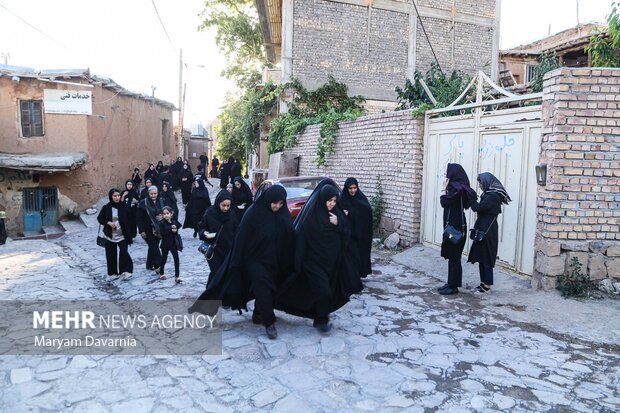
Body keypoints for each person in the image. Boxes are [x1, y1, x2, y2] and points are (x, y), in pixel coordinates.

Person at [190, 185, 295, 340]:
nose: (277, 206)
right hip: (255, 260)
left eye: (280, 203)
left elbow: (290, 236)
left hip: (274, 261)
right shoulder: (254, 213)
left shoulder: (283, 215)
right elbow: (242, 237)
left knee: (270, 289)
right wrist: (237, 260)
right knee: (263, 286)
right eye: (274, 203)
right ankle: (269, 322)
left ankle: (258, 313)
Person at [276, 179, 357, 333]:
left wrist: (338, 223)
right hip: (312, 262)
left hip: (330, 264)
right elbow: (301, 239)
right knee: (323, 290)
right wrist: (298, 262)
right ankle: (322, 321)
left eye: (334, 200)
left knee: (325, 291)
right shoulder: (312, 216)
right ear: (322, 199)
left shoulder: (336, 214)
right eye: (329, 200)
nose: (332, 204)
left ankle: (319, 318)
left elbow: (347, 234)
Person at [467, 172, 511, 294]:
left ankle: (487, 286)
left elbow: (478, 208)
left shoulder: (492, 196)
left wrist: (471, 199)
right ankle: (482, 283)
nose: (480, 185)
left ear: (487, 182)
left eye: (481, 183)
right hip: (484, 229)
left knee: (486, 258)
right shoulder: (488, 194)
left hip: (488, 232)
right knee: (481, 257)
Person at [438, 163, 477, 295]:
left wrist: (443, 189)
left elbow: (444, 202)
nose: (446, 176)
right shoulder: (458, 188)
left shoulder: (458, 190)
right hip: (455, 225)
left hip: (456, 227)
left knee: (454, 258)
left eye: (447, 173)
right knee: (452, 257)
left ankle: (453, 287)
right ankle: (450, 283)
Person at [339, 177, 373, 282]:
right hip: (349, 235)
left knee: (360, 255)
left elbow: (367, 211)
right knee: (351, 257)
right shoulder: (342, 200)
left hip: (361, 234)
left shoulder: (361, 198)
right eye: (350, 188)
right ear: (346, 188)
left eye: (355, 188)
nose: (353, 190)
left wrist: (351, 212)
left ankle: (357, 275)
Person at [198, 190, 238, 276]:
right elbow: (201, 227)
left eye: (228, 206)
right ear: (218, 203)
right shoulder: (210, 213)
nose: (226, 208)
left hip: (228, 249)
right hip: (214, 249)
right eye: (223, 205)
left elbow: (236, 231)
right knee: (216, 273)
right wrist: (204, 233)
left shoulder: (232, 215)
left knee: (226, 274)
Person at [97, 188, 135, 280]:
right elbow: (100, 218)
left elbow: (130, 220)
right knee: (111, 254)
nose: (117, 198)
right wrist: (108, 223)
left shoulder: (123, 207)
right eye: (115, 196)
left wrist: (131, 233)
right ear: (111, 197)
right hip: (110, 235)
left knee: (124, 252)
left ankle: (125, 271)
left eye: (118, 195)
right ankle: (113, 273)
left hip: (122, 234)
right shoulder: (107, 207)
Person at [137, 185, 164, 272]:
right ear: (148, 194)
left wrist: (163, 216)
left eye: (155, 193)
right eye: (151, 194)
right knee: (154, 246)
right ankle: (159, 266)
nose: (153, 195)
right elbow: (139, 218)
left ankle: (149, 264)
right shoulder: (143, 203)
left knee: (153, 246)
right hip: (147, 228)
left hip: (158, 229)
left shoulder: (161, 201)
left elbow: (168, 211)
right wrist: (141, 231)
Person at [158, 206, 183, 283]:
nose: (166, 215)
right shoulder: (161, 223)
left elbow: (178, 227)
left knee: (176, 259)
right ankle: (161, 272)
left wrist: (175, 229)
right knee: (164, 258)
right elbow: (162, 232)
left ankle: (177, 276)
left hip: (173, 244)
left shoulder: (174, 221)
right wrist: (170, 229)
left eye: (167, 213)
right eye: (164, 214)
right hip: (165, 244)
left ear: (171, 214)